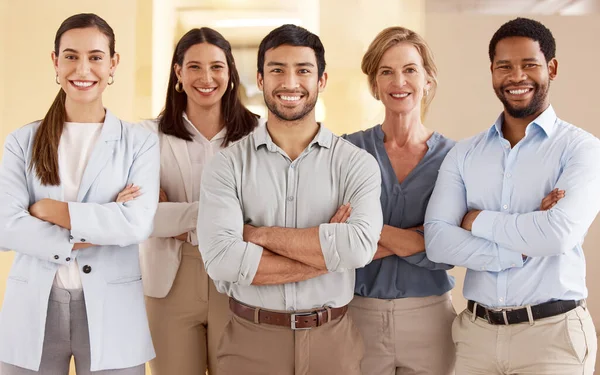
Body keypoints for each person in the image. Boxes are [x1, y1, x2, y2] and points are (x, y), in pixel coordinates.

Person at [197, 24, 383, 375]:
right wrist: (328, 252)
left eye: (303, 70)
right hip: (250, 341)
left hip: (333, 342)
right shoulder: (226, 165)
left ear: (321, 80)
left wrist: (259, 235)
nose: (290, 83)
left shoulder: (356, 164)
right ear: (261, 79)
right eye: (277, 70)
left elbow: (358, 248)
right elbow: (221, 260)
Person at [425, 17, 599, 374]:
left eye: (529, 65)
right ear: (491, 71)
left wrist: (476, 220)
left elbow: (557, 234)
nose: (516, 76)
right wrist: (522, 241)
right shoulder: (465, 154)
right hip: (476, 337)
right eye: (504, 66)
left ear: (551, 68)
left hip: (552, 338)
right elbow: (438, 242)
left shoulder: (581, 149)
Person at [0, 13, 159, 375]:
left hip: (112, 310)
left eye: (95, 56)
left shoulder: (140, 143)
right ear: (55, 62)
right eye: (70, 56)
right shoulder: (22, 142)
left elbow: (136, 225)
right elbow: (6, 227)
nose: (82, 68)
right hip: (34, 310)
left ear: (113, 63)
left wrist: (48, 209)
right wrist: (101, 223)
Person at [138, 27, 258, 375]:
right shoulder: (147, 137)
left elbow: (267, 215)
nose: (206, 78)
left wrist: (174, 215)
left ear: (230, 72)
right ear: (178, 72)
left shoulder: (259, 136)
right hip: (168, 284)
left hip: (239, 280)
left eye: (217, 67)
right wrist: (229, 218)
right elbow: (144, 216)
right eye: (194, 67)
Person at [343, 26, 456, 375]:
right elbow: (336, 242)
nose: (399, 81)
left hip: (430, 320)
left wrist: (365, 232)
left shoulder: (454, 159)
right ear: (375, 85)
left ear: (428, 80)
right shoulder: (347, 151)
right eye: (386, 71)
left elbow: (448, 249)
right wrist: (418, 237)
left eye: (410, 70)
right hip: (357, 315)